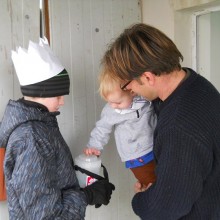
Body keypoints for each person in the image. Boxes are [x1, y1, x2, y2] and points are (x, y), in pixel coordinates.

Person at [100, 23, 220, 220]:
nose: (130, 91)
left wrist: (141, 199)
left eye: (128, 85)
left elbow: (166, 208)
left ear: (148, 77)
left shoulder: (179, 126)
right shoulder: (196, 84)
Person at [0, 38, 115, 220]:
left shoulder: (42, 125)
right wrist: (87, 196)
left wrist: (83, 183)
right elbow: (43, 215)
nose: (62, 101)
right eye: (58, 95)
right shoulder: (32, 137)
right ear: (42, 92)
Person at [84, 71, 157, 187]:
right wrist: (94, 147)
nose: (113, 106)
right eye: (109, 102)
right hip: (137, 156)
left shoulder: (146, 99)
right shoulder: (110, 111)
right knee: (152, 184)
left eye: (117, 102)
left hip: (157, 147)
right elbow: (101, 129)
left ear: (132, 91)